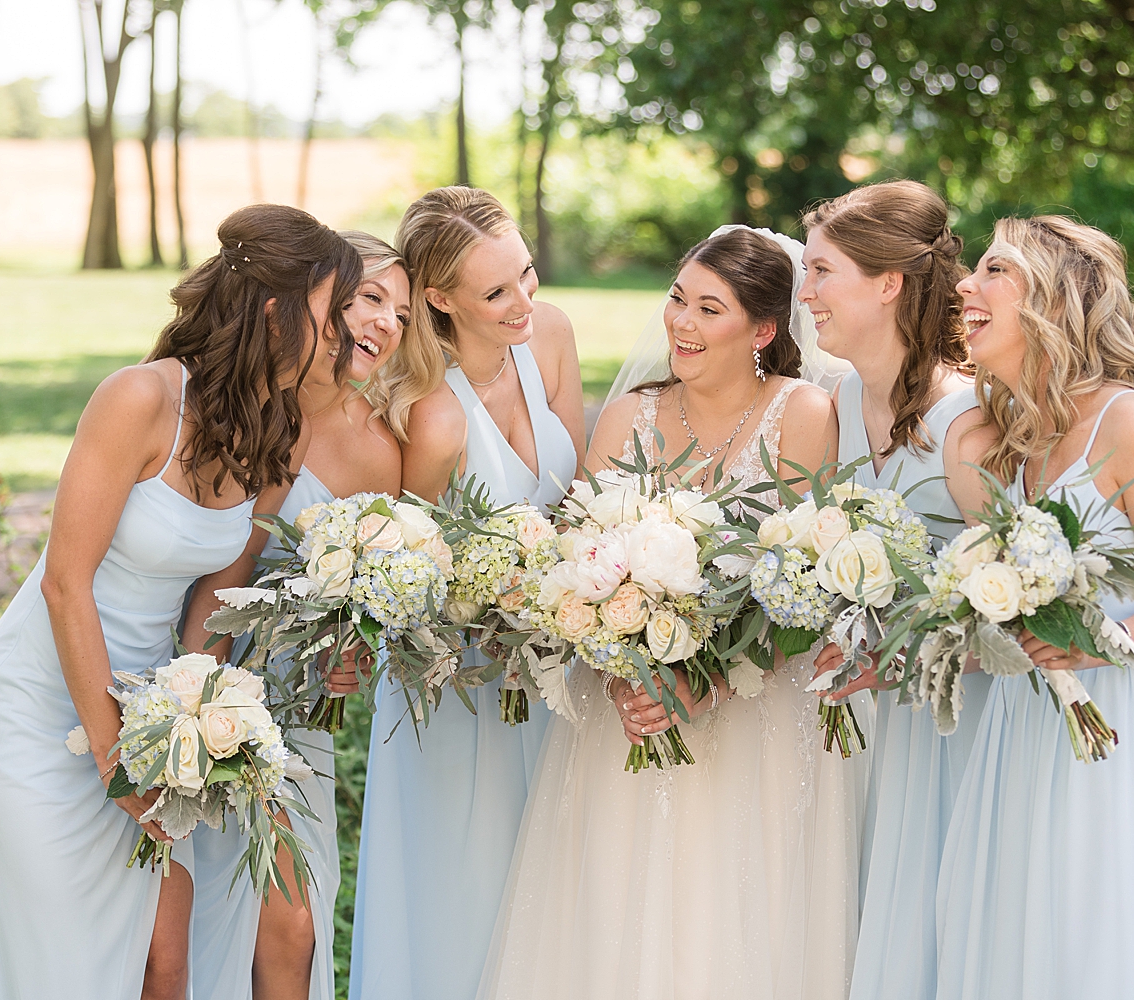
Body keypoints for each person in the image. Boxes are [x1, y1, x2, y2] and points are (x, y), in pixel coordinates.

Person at [0, 204, 362, 1000]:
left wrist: (192, 714)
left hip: (147, 711)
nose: (342, 339)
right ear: (277, 313)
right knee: (66, 963)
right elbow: (65, 582)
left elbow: (220, 586)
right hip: (39, 707)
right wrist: (116, 761)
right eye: (330, 317)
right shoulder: (140, 399)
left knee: (164, 959)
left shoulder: (279, 424)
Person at [478, 226, 863, 1000]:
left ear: (762, 329)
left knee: (739, 924)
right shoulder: (628, 419)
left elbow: (810, 589)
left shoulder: (805, 416)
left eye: (708, 308)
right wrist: (616, 664)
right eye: (677, 299)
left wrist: (710, 685)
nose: (681, 323)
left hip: (756, 716)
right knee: (618, 919)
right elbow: (572, 571)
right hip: (623, 716)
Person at [935, 216, 1134, 999]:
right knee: (1009, 936)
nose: (966, 284)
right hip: (1021, 725)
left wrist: (1097, 644)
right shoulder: (997, 436)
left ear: (1051, 300)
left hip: (1111, 723)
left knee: (1089, 942)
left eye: (994, 271)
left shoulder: (1130, 424)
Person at [347, 187, 583, 1000]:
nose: (524, 302)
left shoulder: (548, 337)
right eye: (497, 293)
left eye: (526, 274)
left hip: (553, 660)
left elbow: (576, 497)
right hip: (454, 682)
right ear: (439, 300)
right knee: (462, 880)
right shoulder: (433, 414)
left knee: (550, 872)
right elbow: (408, 575)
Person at [186, 233, 411, 1000]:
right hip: (199, 673)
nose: (384, 324)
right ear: (323, 301)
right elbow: (215, 575)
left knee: (292, 923)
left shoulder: (379, 451)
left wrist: (345, 654)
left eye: (404, 316)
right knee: (194, 923)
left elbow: (363, 603)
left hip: (289, 707)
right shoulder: (247, 408)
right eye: (371, 298)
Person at [797, 181, 992, 1000]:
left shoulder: (969, 420)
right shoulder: (837, 401)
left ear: (889, 284)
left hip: (968, 719)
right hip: (884, 720)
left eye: (822, 272)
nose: (806, 293)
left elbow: (1018, 594)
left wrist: (911, 651)